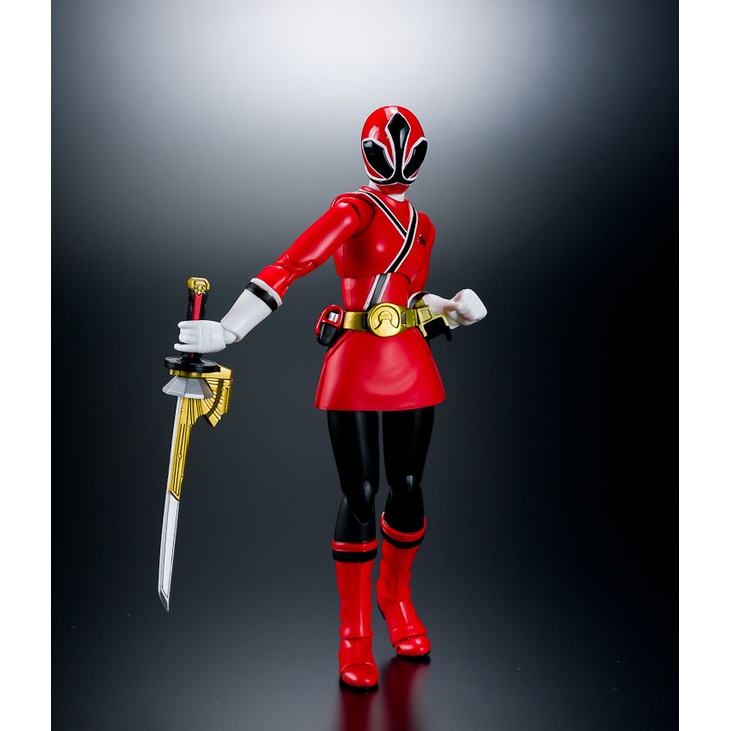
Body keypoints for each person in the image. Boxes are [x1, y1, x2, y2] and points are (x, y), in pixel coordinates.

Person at [173, 105, 487, 689]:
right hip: (356, 359)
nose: (397, 166)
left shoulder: (424, 225)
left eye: (408, 155)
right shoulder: (353, 210)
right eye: (387, 154)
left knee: (408, 486)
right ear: (369, 155)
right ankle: (354, 633)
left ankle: (396, 600)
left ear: (420, 158)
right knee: (361, 493)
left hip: (409, 357)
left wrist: (451, 310)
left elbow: (409, 297)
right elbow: (294, 264)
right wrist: (230, 330)